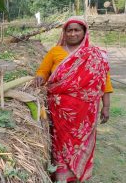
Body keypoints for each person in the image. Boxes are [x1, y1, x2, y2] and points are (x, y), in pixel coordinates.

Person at [34, 16, 113, 182]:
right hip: (59, 110)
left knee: (80, 142)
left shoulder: (94, 55)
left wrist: (106, 106)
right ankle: (61, 175)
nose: (73, 33)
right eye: (69, 30)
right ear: (64, 32)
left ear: (84, 33)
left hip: (85, 111)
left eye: (77, 30)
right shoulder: (55, 51)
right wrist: (40, 77)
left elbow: (104, 82)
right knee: (60, 142)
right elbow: (43, 71)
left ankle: (79, 171)